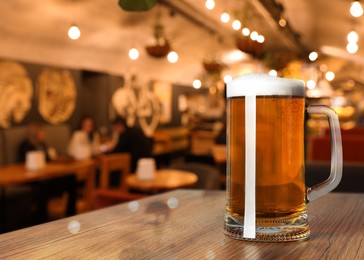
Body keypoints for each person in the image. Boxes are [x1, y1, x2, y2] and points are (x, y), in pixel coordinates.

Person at [17, 123, 76, 223]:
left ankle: (70, 215)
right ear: (35, 133)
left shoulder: (43, 145)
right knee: (43, 186)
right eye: (41, 132)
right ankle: (42, 221)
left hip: (45, 176)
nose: (43, 134)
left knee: (71, 178)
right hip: (32, 179)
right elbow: (24, 163)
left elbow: (48, 160)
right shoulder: (25, 145)